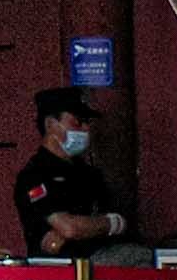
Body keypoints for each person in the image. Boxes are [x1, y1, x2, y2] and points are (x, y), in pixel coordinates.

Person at [12, 87, 131, 254]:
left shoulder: (89, 174)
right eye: (77, 121)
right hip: (61, 274)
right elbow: (68, 229)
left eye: (87, 122)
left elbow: (121, 220)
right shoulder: (35, 175)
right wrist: (109, 224)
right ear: (51, 125)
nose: (86, 129)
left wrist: (100, 225)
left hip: (103, 265)